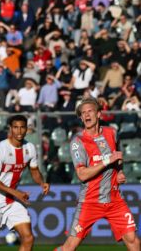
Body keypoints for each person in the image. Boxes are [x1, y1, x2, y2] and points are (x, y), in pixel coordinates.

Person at [56, 97, 140, 251]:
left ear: (99, 114)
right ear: (81, 118)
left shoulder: (111, 133)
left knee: (133, 240)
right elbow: (82, 174)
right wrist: (107, 161)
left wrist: (119, 171)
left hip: (115, 200)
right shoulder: (78, 141)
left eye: (90, 111)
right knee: (70, 246)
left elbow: (117, 156)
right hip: (90, 201)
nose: (86, 115)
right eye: (83, 113)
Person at [0, 115, 50, 251]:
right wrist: (16, 193)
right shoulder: (0, 149)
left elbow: (35, 170)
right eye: (15, 128)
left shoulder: (29, 148)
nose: (19, 131)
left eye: (22, 127)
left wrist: (42, 183)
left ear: (27, 129)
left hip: (12, 200)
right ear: (10, 129)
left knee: (28, 238)